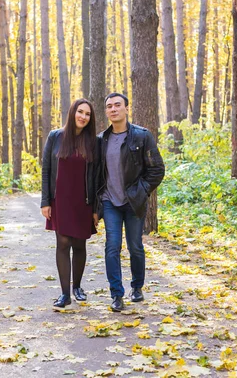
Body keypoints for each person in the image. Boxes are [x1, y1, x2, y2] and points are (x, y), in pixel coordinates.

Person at [97, 92, 165, 312]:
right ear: (106, 111)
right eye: (109, 106)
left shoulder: (142, 136)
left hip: (134, 203)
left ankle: (137, 287)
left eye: (118, 105)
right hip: (110, 202)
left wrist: (141, 191)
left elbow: (157, 169)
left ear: (126, 108)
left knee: (135, 247)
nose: (113, 109)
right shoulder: (100, 140)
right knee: (112, 247)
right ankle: (117, 294)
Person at [41, 98, 99, 308]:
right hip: (60, 200)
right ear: (72, 112)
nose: (83, 117)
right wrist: (45, 201)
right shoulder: (55, 137)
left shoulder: (92, 142)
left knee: (79, 244)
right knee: (63, 244)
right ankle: (65, 293)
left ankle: (78, 288)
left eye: (87, 114)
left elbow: (96, 177)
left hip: (83, 201)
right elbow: (46, 169)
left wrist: (95, 207)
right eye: (80, 112)